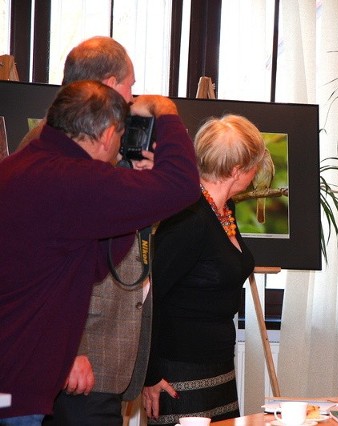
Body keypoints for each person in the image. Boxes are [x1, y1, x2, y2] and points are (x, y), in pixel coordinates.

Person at [0, 80, 200, 424]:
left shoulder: (18, 168)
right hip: (19, 383)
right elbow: (182, 184)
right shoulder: (78, 180)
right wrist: (164, 111)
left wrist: (136, 197)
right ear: (108, 134)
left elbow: (91, 264)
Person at [20, 36, 153, 426]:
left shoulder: (95, 147)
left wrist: (143, 183)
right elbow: (40, 263)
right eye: (129, 86)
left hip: (101, 357)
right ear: (109, 85)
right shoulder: (54, 152)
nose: (132, 98)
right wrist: (69, 349)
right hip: (81, 360)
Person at [142, 115, 266, 425]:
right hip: (179, 374)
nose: (257, 171)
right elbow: (150, 296)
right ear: (237, 170)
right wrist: (151, 375)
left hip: (218, 365)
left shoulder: (225, 210)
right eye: (255, 165)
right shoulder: (189, 219)